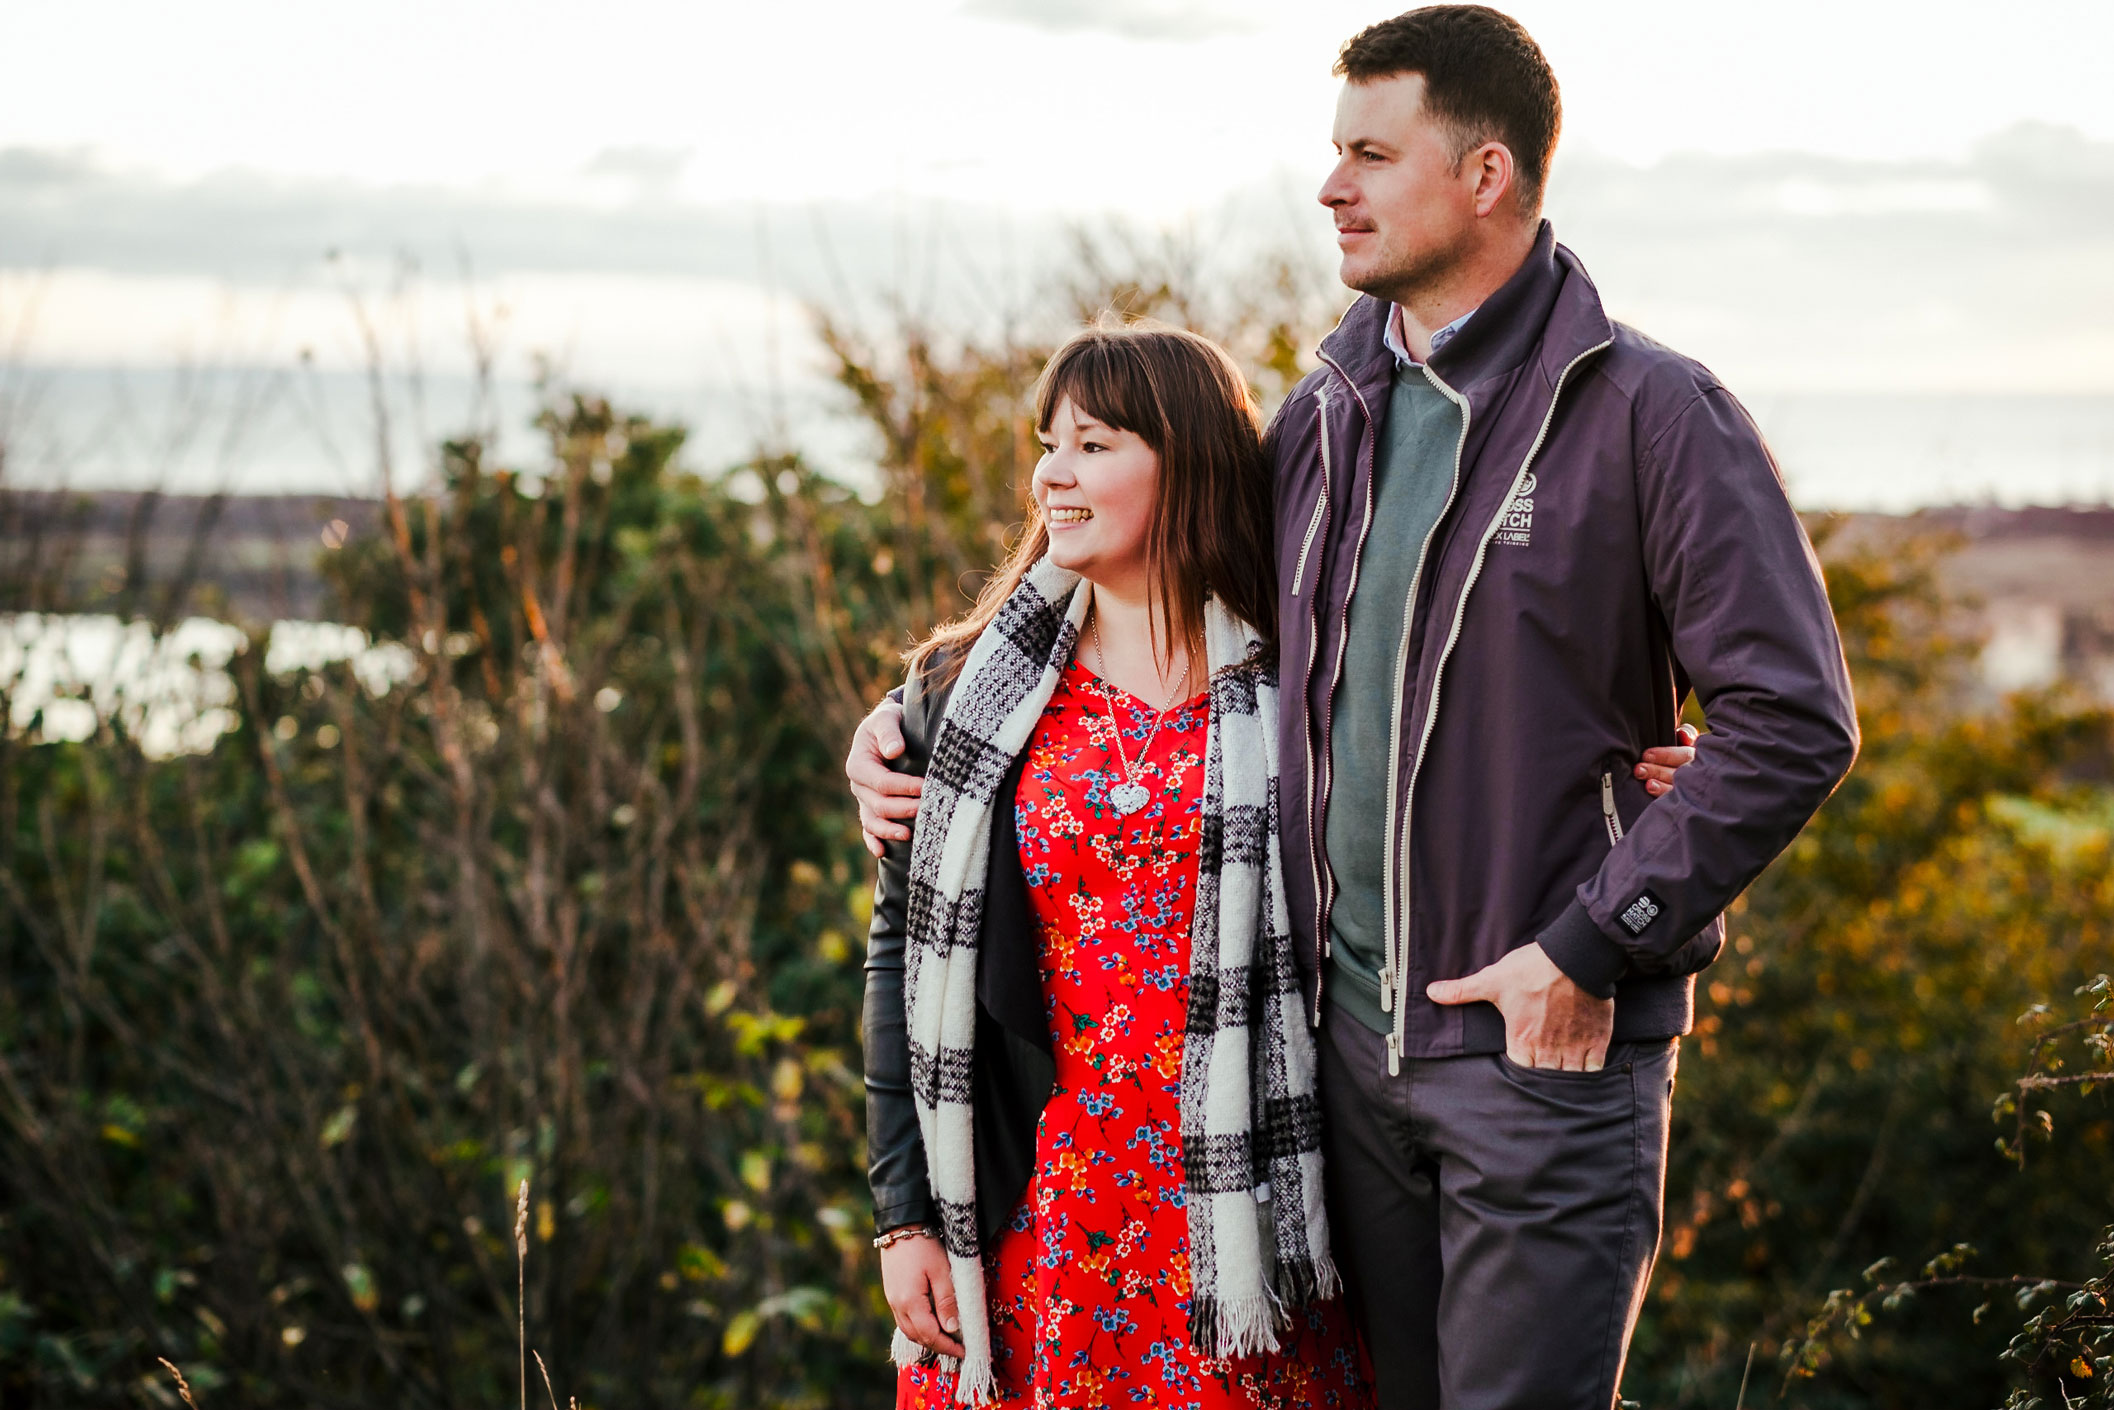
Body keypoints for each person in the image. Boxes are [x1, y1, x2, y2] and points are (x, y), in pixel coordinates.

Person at [856, 8, 1851, 1406]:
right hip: (1331, 1075)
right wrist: (903, 721)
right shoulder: (1323, 419)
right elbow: (1139, 574)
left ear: (1485, 173)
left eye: (1369, 155)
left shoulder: (1651, 414)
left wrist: (1595, 937)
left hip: (1533, 1050)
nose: (1330, 187)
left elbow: (1793, 720)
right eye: (1334, 153)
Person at [863, 324, 1373, 1408]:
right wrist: (903, 1212)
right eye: (1049, 443)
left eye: (1092, 444)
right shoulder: (964, 698)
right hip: (1045, 1206)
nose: (1051, 472)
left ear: (1182, 464)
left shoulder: (1305, 690)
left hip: (1248, 1213)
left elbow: (1453, 794)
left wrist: (1634, 767)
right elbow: (898, 952)